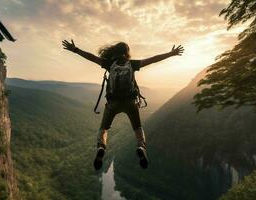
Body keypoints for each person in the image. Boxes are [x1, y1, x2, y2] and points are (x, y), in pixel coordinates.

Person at [62, 40, 184, 170]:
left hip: (113, 103)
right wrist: (171, 53)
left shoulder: (109, 64)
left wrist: (75, 49)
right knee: (138, 128)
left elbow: (91, 57)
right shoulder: (132, 64)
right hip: (130, 102)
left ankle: (101, 147)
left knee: (104, 129)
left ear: (114, 51)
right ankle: (141, 147)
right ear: (126, 53)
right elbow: (153, 59)